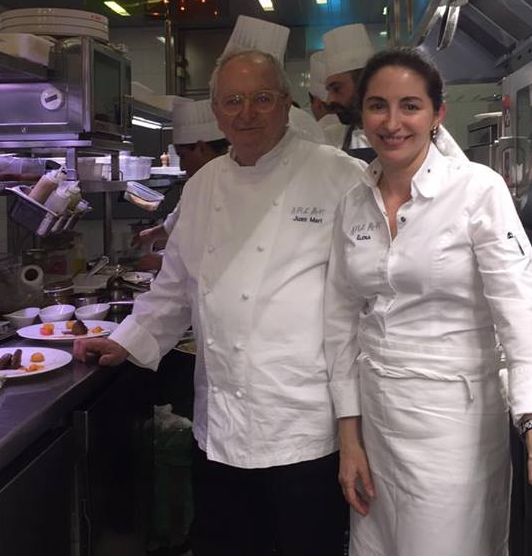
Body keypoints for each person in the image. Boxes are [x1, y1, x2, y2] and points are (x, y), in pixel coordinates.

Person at [323, 48, 532, 555]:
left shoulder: (477, 190)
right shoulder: (353, 201)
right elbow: (341, 322)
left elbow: (523, 313)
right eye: (378, 106)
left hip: (451, 428)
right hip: (375, 421)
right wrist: (349, 440)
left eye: (410, 106)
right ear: (362, 114)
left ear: (438, 114)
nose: (392, 123)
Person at [76, 49, 366, 556]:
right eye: (232, 101)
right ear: (215, 109)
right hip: (222, 429)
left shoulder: (337, 175)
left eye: (261, 99)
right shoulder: (203, 184)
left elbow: (367, 294)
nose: (246, 113)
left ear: (285, 103)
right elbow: (173, 287)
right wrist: (127, 340)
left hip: (304, 427)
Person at [133, 99, 229, 271]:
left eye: (183, 156)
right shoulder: (200, 182)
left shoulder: (233, 182)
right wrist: (151, 234)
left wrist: (162, 261)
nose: (182, 167)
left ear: (201, 148)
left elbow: (222, 251)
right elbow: (181, 218)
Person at [321, 23, 376, 153]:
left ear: (364, 85)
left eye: (336, 89)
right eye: (328, 91)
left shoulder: (401, 135)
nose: (329, 101)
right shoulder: (332, 140)